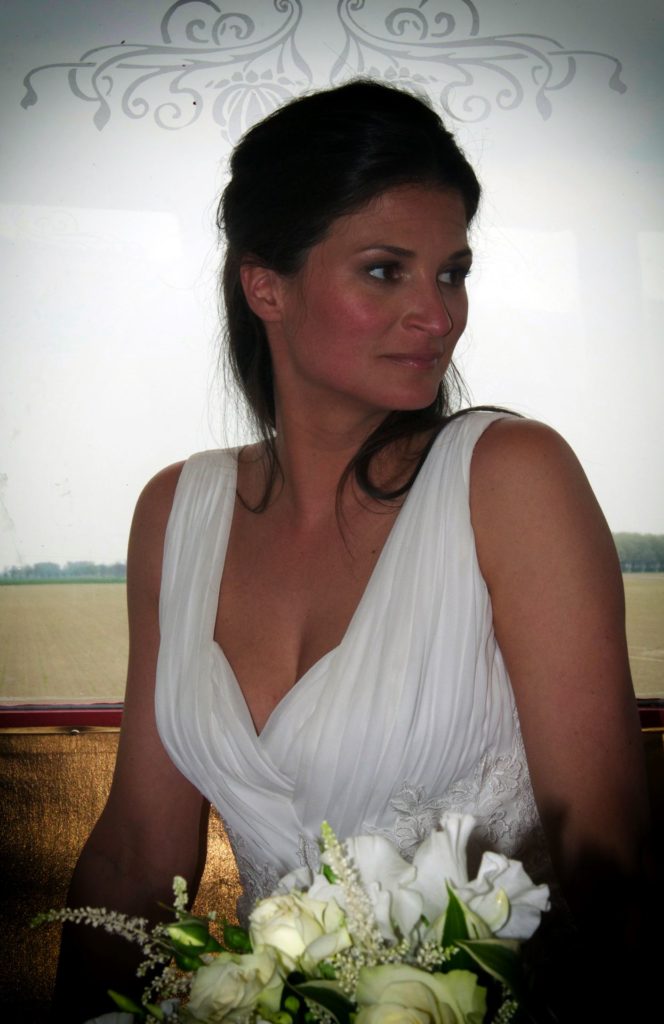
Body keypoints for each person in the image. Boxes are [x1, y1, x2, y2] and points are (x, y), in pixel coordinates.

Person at [55, 81, 651, 1021]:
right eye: (385, 271)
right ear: (266, 285)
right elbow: (135, 854)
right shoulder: (177, 512)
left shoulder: (510, 477)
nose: (438, 315)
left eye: (452, 273)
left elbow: (611, 867)